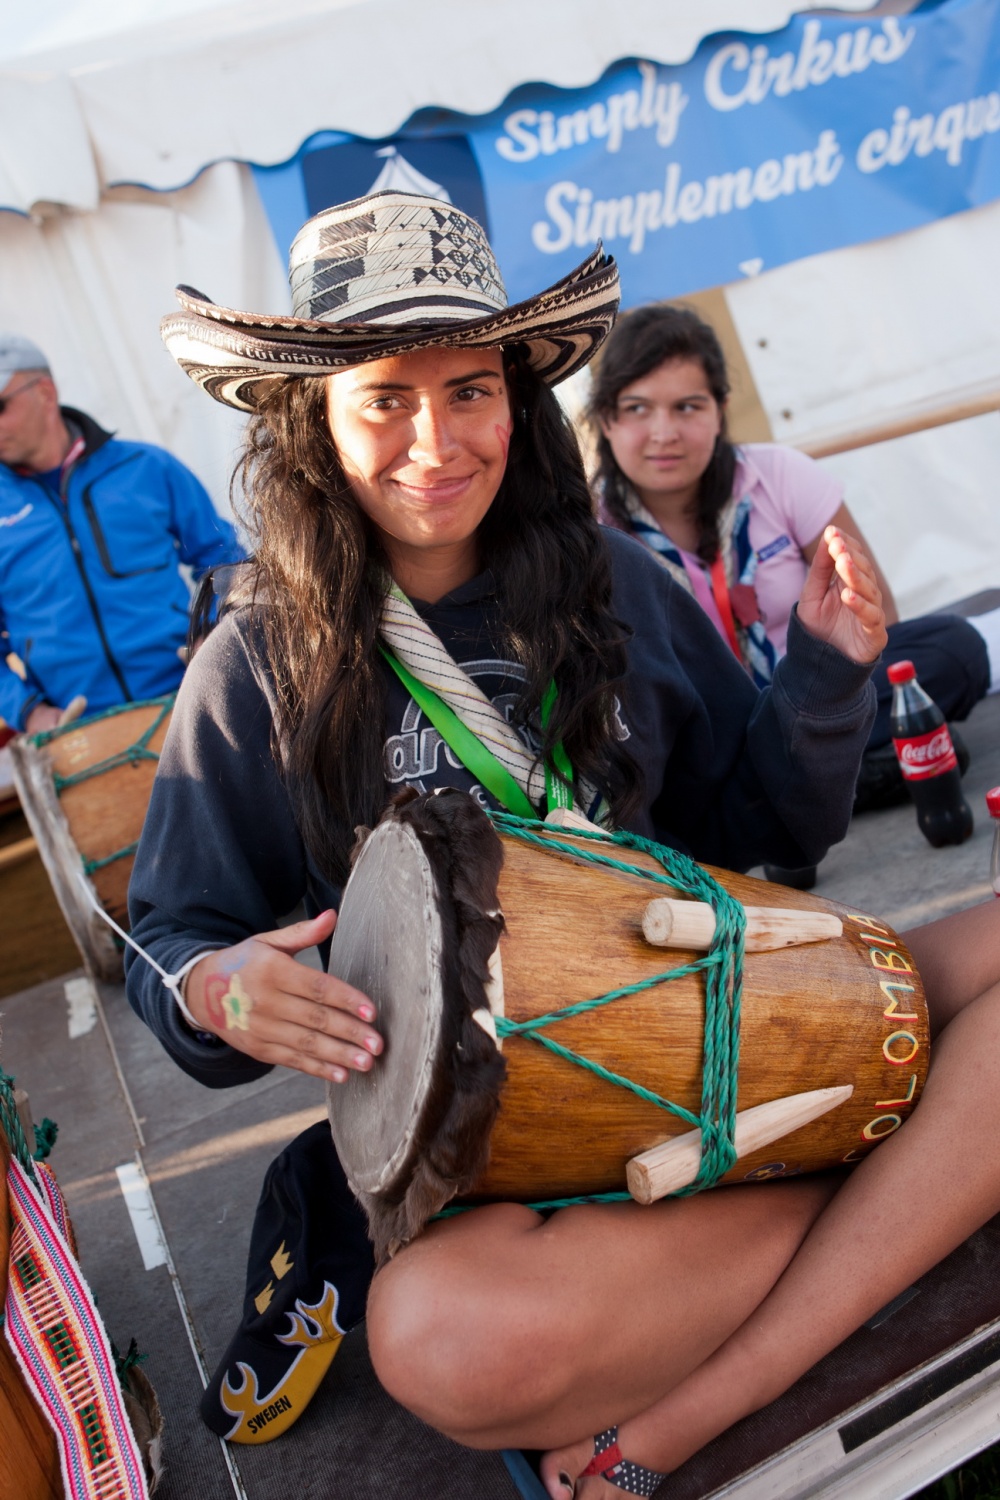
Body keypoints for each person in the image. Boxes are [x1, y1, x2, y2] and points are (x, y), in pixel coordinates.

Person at [125, 191, 986, 1490]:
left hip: (747, 1027)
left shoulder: (611, 582)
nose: (437, 441)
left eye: (471, 391)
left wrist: (822, 676)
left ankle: (658, 1430)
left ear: (520, 400)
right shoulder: (260, 663)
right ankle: (916, 1180)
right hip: (496, 1167)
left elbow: (766, 834)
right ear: (315, 423)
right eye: (385, 403)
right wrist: (216, 987)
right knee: (440, 1346)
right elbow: (172, 931)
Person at [591, 303, 1000, 823]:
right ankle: (838, 782)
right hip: (699, 739)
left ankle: (788, 795)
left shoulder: (779, 475)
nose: (664, 431)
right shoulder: (590, 529)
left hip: (814, 705)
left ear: (721, 409)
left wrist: (826, 700)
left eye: (688, 407)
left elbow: (877, 621)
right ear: (606, 419)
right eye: (637, 409)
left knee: (953, 649)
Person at [0, 333, 243, 735]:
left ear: (44, 392)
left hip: (192, 703)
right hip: (77, 733)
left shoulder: (148, 468)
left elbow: (226, 561)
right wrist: (28, 712)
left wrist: (214, 635)